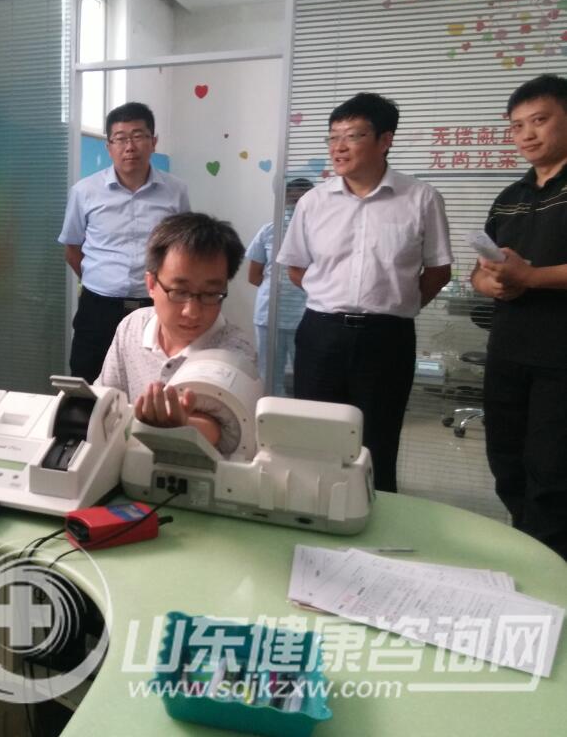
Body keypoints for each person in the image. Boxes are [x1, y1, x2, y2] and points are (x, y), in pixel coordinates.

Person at [276, 92, 453, 493]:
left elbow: (438, 270)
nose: (338, 147)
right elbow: (296, 267)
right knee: (314, 437)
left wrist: (398, 303)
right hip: (321, 334)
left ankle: (376, 516)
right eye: (333, 137)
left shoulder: (420, 198)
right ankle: (313, 508)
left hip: (386, 339)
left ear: (385, 140)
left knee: (378, 441)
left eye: (352, 136)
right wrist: (331, 293)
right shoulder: (313, 202)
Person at [471, 73, 567, 559]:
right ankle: (530, 554)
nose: (527, 134)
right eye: (517, 126)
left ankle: (551, 572)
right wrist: (487, 282)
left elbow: (528, 273)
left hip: (559, 358)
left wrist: (531, 277)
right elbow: (478, 271)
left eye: (540, 120)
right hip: (508, 352)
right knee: (506, 463)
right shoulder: (510, 195)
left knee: (552, 474)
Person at [97, 212, 256, 452]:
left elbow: (220, 425)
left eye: (210, 294)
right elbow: (108, 396)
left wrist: (183, 425)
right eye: (180, 292)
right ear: (151, 285)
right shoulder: (132, 327)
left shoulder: (236, 349)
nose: (192, 311)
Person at [59, 102, 190, 383]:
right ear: (109, 147)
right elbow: (72, 249)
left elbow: (181, 249)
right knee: (87, 382)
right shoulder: (84, 191)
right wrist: (100, 279)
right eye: (120, 138)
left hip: (154, 306)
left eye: (138, 136)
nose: (129, 146)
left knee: (153, 382)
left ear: (153, 142)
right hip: (98, 308)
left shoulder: (176, 191)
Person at [246, 178, 313, 396]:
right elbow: (254, 276)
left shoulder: (318, 234)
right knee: (268, 373)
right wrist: (276, 291)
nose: (295, 205)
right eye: (292, 199)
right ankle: (271, 410)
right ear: (283, 201)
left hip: (305, 317)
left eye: (301, 200)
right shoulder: (269, 231)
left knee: (307, 372)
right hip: (269, 315)